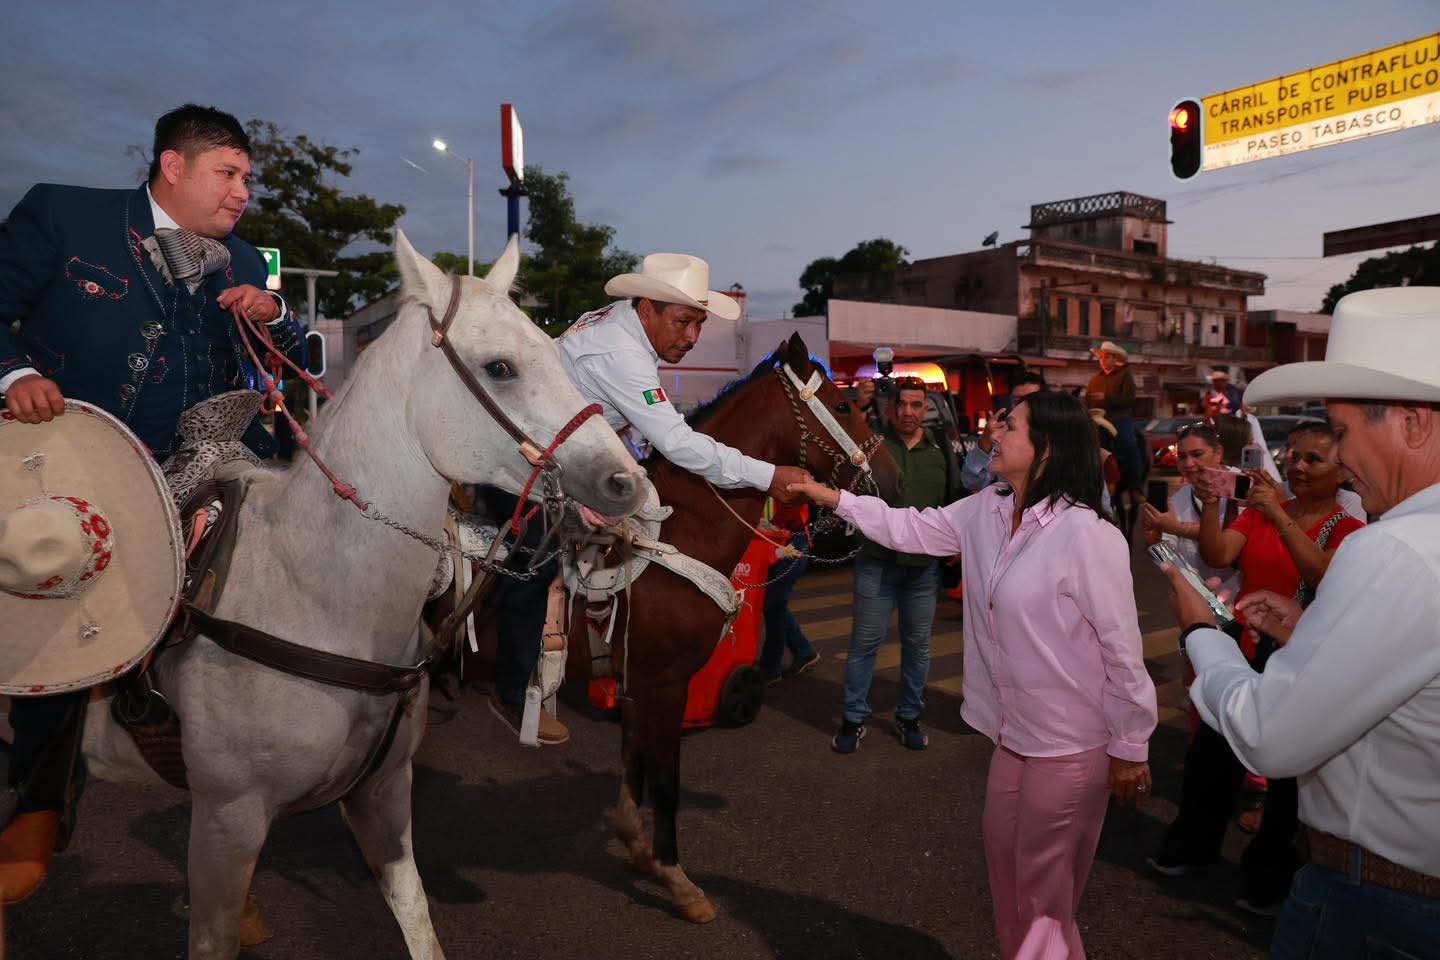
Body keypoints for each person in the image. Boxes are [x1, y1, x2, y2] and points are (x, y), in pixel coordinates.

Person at [0, 104, 300, 903]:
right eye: (228, 174)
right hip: (79, 452)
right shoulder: (64, 214)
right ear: (173, 166)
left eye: (246, 177)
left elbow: (287, 353)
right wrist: (13, 374)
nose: (242, 193)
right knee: (66, 579)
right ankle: (39, 797)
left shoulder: (244, 258)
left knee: (287, 560)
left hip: (209, 454)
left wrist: (275, 312)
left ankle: (247, 771)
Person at [792, 390, 1156, 957]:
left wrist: (1131, 745)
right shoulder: (986, 509)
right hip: (1012, 735)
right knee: (1007, 876)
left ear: (1046, 448)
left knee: (1045, 900)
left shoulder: (1088, 535)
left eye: (1010, 426)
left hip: (1070, 742)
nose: (994, 432)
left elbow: (1122, 650)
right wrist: (833, 498)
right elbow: (910, 528)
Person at [1164, 287, 1440, 959]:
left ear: (1412, 424)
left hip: (1377, 899)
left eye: (1341, 434)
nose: (1337, 458)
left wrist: (1204, 635)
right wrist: (1310, 632)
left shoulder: (1393, 548)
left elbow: (1270, 737)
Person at [482, 253, 813, 744]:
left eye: (699, 324)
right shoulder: (624, 354)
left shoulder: (619, 325)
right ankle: (512, 693)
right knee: (536, 559)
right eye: (682, 322)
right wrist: (768, 476)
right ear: (647, 309)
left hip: (561, 453)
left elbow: (614, 420)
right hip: (521, 460)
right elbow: (677, 443)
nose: (692, 337)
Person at [1151, 422, 1363, 914]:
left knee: (1287, 779)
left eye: (1313, 459)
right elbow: (1219, 554)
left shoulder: (1349, 528)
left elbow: (1322, 575)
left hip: (1296, 652)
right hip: (1244, 642)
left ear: (1341, 472)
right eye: (1294, 456)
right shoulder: (1263, 510)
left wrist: (1278, 514)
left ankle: (1268, 879)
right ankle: (1193, 846)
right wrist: (1210, 507)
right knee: (1212, 754)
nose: (1298, 466)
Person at [828, 378, 959, 753]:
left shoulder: (941, 448)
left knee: (918, 647)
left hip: (923, 568)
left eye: (916, 405)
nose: (908, 412)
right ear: (890, 408)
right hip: (877, 563)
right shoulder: (873, 445)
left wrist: (955, 543)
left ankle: (909, 717)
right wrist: (857, 403)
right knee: (864, 646)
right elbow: (844, 470)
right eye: (902, 404)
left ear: (925, 409)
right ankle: (853, 720)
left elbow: (953, 501)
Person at [1140, 422, 1241, 601]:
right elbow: (1169, 561)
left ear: (1218, 453)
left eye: (1197, 454)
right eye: (1181, 456)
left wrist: (1178, 528)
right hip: (1201, 601)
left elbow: (1231, 535)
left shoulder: (1244, 485)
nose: (1188, 463)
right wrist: (1153, 542)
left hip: (1243, 599)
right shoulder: (1179, 499)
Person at [755, 498, 820, 683]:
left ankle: (770, 668)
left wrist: (770, 525)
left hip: (789, 543)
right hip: (773, 540)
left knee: (773, 605)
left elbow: (793, 512)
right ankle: (804, 652)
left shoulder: (789, 486)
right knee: (774, 605)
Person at [960, 372, 1045, 492]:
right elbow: (972, 482)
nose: (1022, 406)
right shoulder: (1000, 435)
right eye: (1017, 401)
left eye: (1029, 400)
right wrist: (985, 442)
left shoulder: (1055, 438)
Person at [1085, 341, 1143, 493]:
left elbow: (1129, 400)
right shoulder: (1095, 379)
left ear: (1114, 358)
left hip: (1118, 419)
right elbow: (1087, 400)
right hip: (1096, 419)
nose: (1102, 360)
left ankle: (1136, 487)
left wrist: (1106, 398)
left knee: (1129, 444)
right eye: (1101, 357)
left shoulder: (1125, 376)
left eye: (1106, 357)